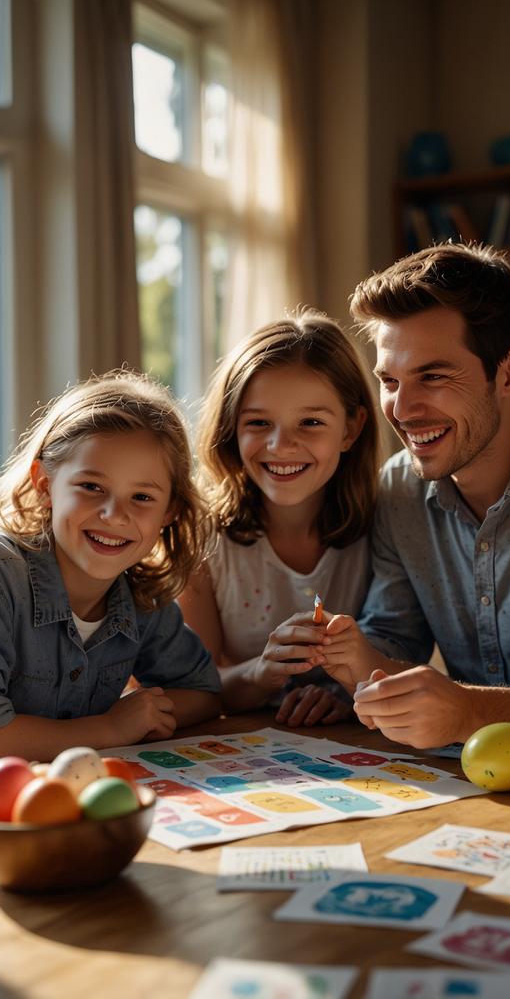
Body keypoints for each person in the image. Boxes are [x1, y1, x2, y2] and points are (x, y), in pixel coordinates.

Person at [281, 242, 510, 750]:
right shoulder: (399, 489)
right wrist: (347, 667)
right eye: (390, 380)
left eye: (432, 377)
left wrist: (470, 712)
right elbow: (394, 642)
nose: (404, 409)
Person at [0, 370, 222, 794]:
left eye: (142, 497)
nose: (114, 514)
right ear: (45, 485)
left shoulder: (141, 595)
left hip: (68, 807)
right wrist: (111, 727)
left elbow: (203, 692)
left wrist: (141, 714)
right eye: (91, 486)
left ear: (170, 512)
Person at [179, 309, 380, 726]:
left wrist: (345, 696)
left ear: (351, 428)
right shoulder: (201, 537)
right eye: (258, 422)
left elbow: (399, 660)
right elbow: (192, 687)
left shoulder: (384, 527)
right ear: (231, 428)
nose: (280, 444)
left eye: (310, 422)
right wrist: (262, 672)